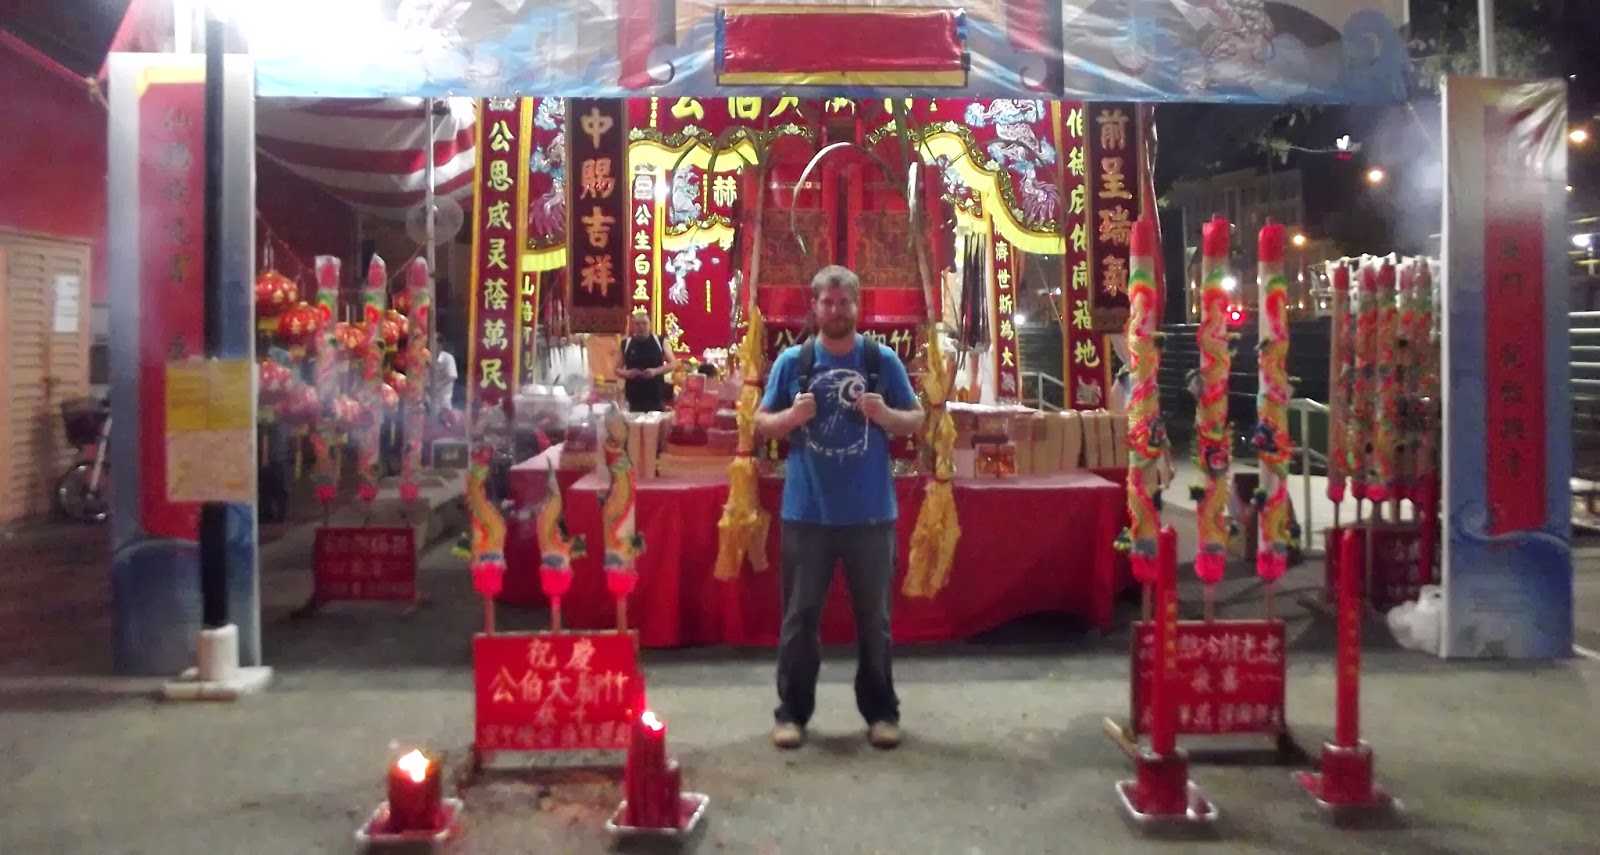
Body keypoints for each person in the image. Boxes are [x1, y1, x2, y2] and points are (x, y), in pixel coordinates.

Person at [755, 265, 925, 751]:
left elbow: (916, 419)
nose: (835, 310)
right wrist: (792, 417)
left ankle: (882, 712)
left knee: (875, 621)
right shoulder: (793, 362)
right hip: (807, 515)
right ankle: (792, 713)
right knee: (800, 619)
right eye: (827, 303)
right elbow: (761, 422)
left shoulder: (880, 360)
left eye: (844, 302)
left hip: (870, 515)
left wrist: (886, 415)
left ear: (857, 305)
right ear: (814, 307)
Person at [615, 309, 678, 412]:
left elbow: (673, 364)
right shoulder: (626, 344)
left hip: (656, 396)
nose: (641, 327)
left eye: (644, 323)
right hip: (633, 398)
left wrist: (655, 371)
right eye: (637, 324)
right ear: (633, 326)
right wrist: (628, 373)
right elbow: (617, 369)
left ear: (650, 325)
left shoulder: (660, 342)